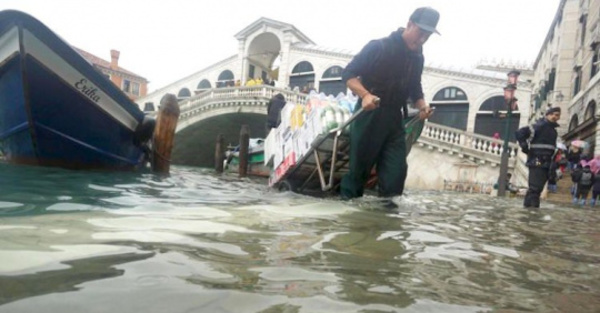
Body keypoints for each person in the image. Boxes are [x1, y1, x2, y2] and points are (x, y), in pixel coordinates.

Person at [339, 7, 438, 199]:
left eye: (428, 35)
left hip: (395, 118)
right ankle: (347, 216)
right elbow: (348, 74)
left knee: (396, 172)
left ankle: (387, 221)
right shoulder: (379, 47)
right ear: (409, 24)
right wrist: (365, 95)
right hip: (369, 113)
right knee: (358, 171)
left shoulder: (418, 57)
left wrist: (422, 106)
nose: (423, 39)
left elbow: (415, 88)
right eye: (421, 32)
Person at [515, 106, 561, 208]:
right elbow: (520, 132)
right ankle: (532, 214)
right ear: (547, 115)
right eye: (552, 114)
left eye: (557, 115)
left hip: (546, 163)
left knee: (536, 190)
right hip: (537, 161)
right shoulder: (540, 126)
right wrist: (525, 147)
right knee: (535, 189)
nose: (554, 116)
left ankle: (529, 212)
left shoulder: (553, 131)